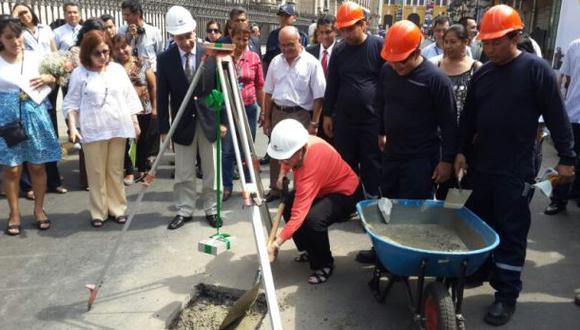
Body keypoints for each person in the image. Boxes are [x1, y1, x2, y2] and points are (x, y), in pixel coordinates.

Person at [455, 5, 575, 326]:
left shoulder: (537, 71)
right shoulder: (483, 74)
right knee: (480, 221)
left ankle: (506, 294)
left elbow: (557, 118)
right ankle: (480, 269)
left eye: (496, 42)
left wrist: (567, 158)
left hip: (517, 167)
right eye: (487, 42)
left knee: (511, 230)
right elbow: (468, 119)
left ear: (516, 36)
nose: (489, 48)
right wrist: (461, 151)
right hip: (482, 165)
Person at [356, 20, 458, 264]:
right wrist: (381, 131)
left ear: (417, 53)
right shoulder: (388, 71)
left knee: (412, 210)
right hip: (392, 153)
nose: (396, 66)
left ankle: (407, 256)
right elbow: (382, 103)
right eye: (392, 60)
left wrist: (446, 161)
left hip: (421, 158)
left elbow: (449, 124)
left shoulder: (436, 80)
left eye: (402, 61)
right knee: (386, 203)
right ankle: (382, 249)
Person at [267, 119, 362, 284]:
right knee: (289, 202)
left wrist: (277, 242)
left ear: (300, 150)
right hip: (323, 187)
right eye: (280, 159)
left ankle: (324, 264)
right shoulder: (297, 148)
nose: (282, 162)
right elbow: (285, 157)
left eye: (285, 159)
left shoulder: (312, 164)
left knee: (313, 219)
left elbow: (299, 214)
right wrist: (282, 174)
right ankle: (307, 250)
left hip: (346, 192)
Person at [63, 30, 142, 228]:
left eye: (106, 52)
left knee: (115, 171)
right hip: (93, 129)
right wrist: (73, 126)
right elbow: (70, 103)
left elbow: (129, 97)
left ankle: (118, 208)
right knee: (96, 172)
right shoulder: (79, 73)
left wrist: (135, 122)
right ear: (87, 53)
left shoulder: (116, 70)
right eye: (97, 53)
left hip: (118, 127)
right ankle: (99, 211)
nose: (103, 57)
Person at [157, 6, 224, 229]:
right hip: (182, 123)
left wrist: (222, 120)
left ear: (195, 30)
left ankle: (212, 209)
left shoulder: (211, 52)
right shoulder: (165, 59)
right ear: (172, 36)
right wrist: (164, 128)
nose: (186, 41)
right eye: (180, 37)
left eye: (188, 36)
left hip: (208, 119)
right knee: (184, 171)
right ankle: (184, 210)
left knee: (211, 169)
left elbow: (222, 89)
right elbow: (162, 94)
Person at [0, 16, 61, 235]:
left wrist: (48, 78)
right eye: (9, 37)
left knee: (37, 165)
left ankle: (39, 209)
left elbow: (56, 77)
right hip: (6, 120)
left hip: (35, 114)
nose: (15, 41)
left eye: (18, 36)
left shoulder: (36, 57)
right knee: (12, 168)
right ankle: (14, 213)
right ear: (0, 38)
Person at [323, 1, 384, 199]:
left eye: (351, 29)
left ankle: (371, 200)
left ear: (363, 24)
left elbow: (387, 85)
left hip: (371, 120)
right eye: (343, 30)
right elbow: (332, 85)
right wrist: (327, 115)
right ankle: (348, 201)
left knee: (371, 162)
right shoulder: (339, 51)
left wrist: (384, 126)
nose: (347, 34)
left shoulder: (377, 46)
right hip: (345, 120)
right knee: (345, 161)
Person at [261, 26, 326, 202]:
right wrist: (266, 118)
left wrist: (314, 123)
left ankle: (300, 191)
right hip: (279, 113)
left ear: (300, 41)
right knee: (276, 151)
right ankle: (276, 188)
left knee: (300, 155)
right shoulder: (275, 62)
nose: (286, 49)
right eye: (282, 45)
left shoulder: (312, 63)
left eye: (290, 44)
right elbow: (268, 92)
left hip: (300, 115)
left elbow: (319, 96)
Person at [11, 3, 68, 199]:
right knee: (23, 139)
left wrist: (56, 73)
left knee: (48, 134)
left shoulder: (45, 29)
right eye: (18, 14)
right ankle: (28, 186)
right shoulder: (16, 35)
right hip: (26, 89)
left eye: (25, 11)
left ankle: (54, 180)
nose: (23, 16)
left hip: (47, 83)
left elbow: (54, 53)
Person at [221, 22, 264, 201]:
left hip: (249, 108)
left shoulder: (253, 57)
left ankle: (249, 184)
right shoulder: (224, 57)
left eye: (245, 40)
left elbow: (260, 85)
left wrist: (263, 110)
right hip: (229, 108)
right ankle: (227, 185)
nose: (241, 43)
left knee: (248, 148)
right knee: (228, 149)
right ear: (232, 37)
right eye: (238, 39)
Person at [111, 34, 157, 186]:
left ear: (130, 46)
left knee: (143, 140)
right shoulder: (112, 67)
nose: (122, 51)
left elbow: (152, 85)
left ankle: (142, 169)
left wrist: (155, 107)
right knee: (126, 141)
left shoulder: (142, 62)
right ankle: (129, 171)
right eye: (117, 49)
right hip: (122, 110)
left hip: (143, 108)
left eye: (124, 47)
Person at [543, 37, 580, 215]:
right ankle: (558, 199)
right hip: (574, 113)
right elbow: (566, 78)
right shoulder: (575, 46)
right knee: (567, 158)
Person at [430, 24, 482, 123]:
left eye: (453, 42)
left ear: (465, 42)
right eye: (446, 42)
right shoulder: (436, 65)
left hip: (465, 128)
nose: (448, 46)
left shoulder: (476, 68)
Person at [306, 14, 337, 144]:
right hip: (311, 111)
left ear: (335, 31)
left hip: (333, 113)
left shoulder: (341, 51)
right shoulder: (309, 52)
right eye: (321, 32)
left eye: (328, 32)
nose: (324, 36)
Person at [119, 0, 163, 71]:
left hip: (150, 75)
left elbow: (160, 55)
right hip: (130, 74)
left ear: (138, 14)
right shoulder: (122, 31)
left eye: (127, 15)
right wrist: (128, 38)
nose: (125, 18)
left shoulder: (154, 32)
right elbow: (119, 52)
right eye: (123, 15)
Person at [263, 3, 308, 67]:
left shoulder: (302, 37)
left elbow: (305, 59)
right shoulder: (273, 36)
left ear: (294, 18)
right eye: (281, 16)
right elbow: (267, 60)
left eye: (287, 16)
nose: (283, 19)